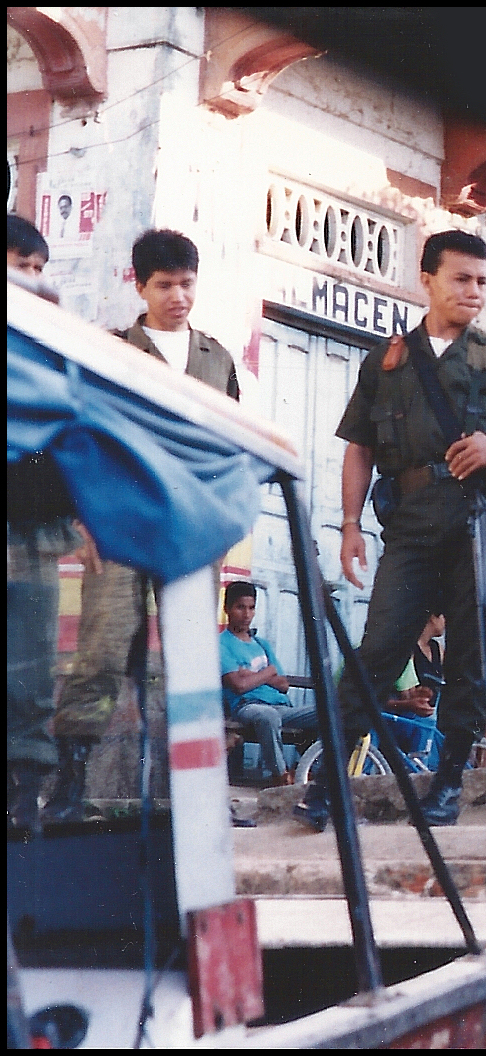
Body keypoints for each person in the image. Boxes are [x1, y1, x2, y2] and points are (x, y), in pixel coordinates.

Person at [295, 229, 486, 830]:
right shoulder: (386, 360)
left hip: (475, 525)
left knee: (471, 656)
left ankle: (446, 785)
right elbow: (359, 446)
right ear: (429, 280)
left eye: (482, 282)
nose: (473, 292)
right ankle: (328, 783)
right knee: (378, 650)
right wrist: (351, 525)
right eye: (461, 279)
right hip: (410, 527)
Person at [41, 228, 240, 824]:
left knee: (192, 660)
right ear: (140, 286)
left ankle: (197, 797)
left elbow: (226, 442)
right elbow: (76, 438)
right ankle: (70, 788)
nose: (178, 296)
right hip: (120, 523)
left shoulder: (217, 357)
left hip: (187, 526)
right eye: (164, 285)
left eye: (186, 284)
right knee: (102, 650)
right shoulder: (110, 349)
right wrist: (80, 517)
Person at [7, 232, 83, 831]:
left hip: (34, 540)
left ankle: (24, 801)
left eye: (40, 267)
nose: (32, 277)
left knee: (31, 678)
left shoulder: (59, 345)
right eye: (20, 266)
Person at [220, 581, 315, 789]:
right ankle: (280, 776)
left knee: (327, 711)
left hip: (282, 707)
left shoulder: (262, 644)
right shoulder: (221, 644)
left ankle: (315, 771)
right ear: (227, 609)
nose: (246, 614)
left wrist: (252, 674)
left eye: (251, 608)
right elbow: (239, 686)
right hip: (247, 706)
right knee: (267, 715)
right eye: (240, 607)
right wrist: (267, 672)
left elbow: (283, 685)